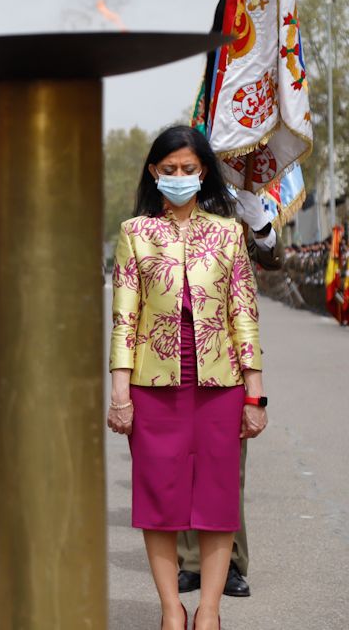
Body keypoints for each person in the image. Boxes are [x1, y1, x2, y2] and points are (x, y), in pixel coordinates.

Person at [107, 126, 267, 630]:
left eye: (189, 169)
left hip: (220, 386)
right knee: (160, 502)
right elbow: (124, 319)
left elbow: (244, 314)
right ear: (154, 173)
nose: (179, 177)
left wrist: (255, 393)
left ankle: (210, 612)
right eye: (169, 169)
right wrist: (119, 394)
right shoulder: (135, 233)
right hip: (152, 390)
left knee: (219, 501)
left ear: (204, 173)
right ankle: (172, 609)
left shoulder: (228, 234)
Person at [176, 187, 282, 598]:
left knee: (226, 468)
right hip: (178, 352)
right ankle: (190, 562)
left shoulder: (240, 198)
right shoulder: (175, 203)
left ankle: (232, 562)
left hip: (230, 351)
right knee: (183, 464)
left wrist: (259, 222)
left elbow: (273, 260)